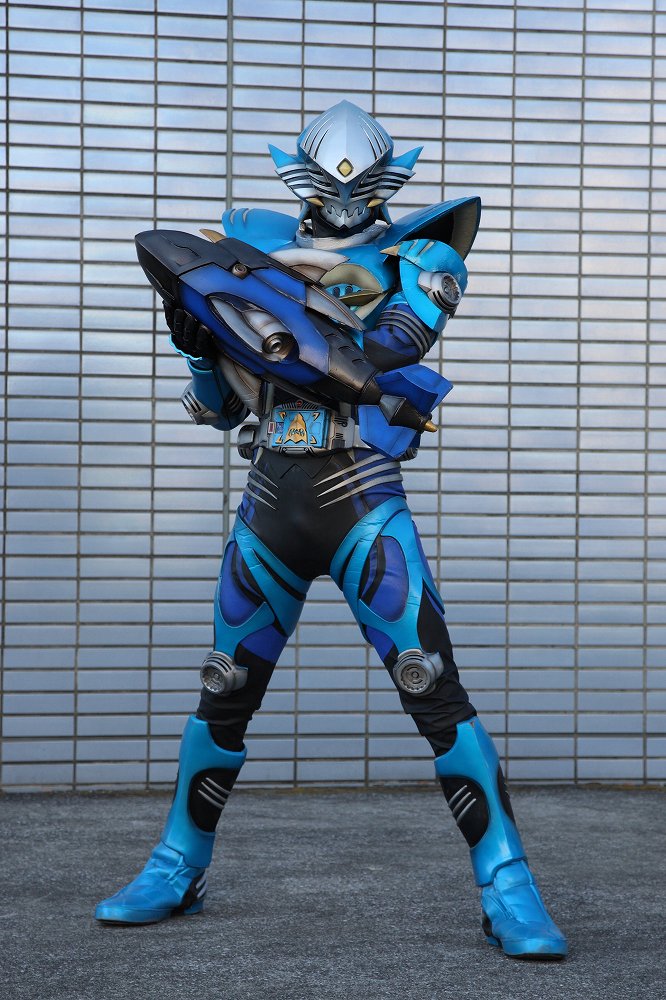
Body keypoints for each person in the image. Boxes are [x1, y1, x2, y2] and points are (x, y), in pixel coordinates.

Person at [95, 101, 567, 960]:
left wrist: (270, 308)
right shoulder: (247, 253)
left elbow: (391, 348)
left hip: (361, 494)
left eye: (362, 182)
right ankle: (176, 866)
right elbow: (216, 409)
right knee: (224, 687)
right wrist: (203, 341)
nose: (344, 196)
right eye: (326, 181)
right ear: (298, 175)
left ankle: (509, 885)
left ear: (390, 178)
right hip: (271, 492)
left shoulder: (417, 254)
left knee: (431, 685)